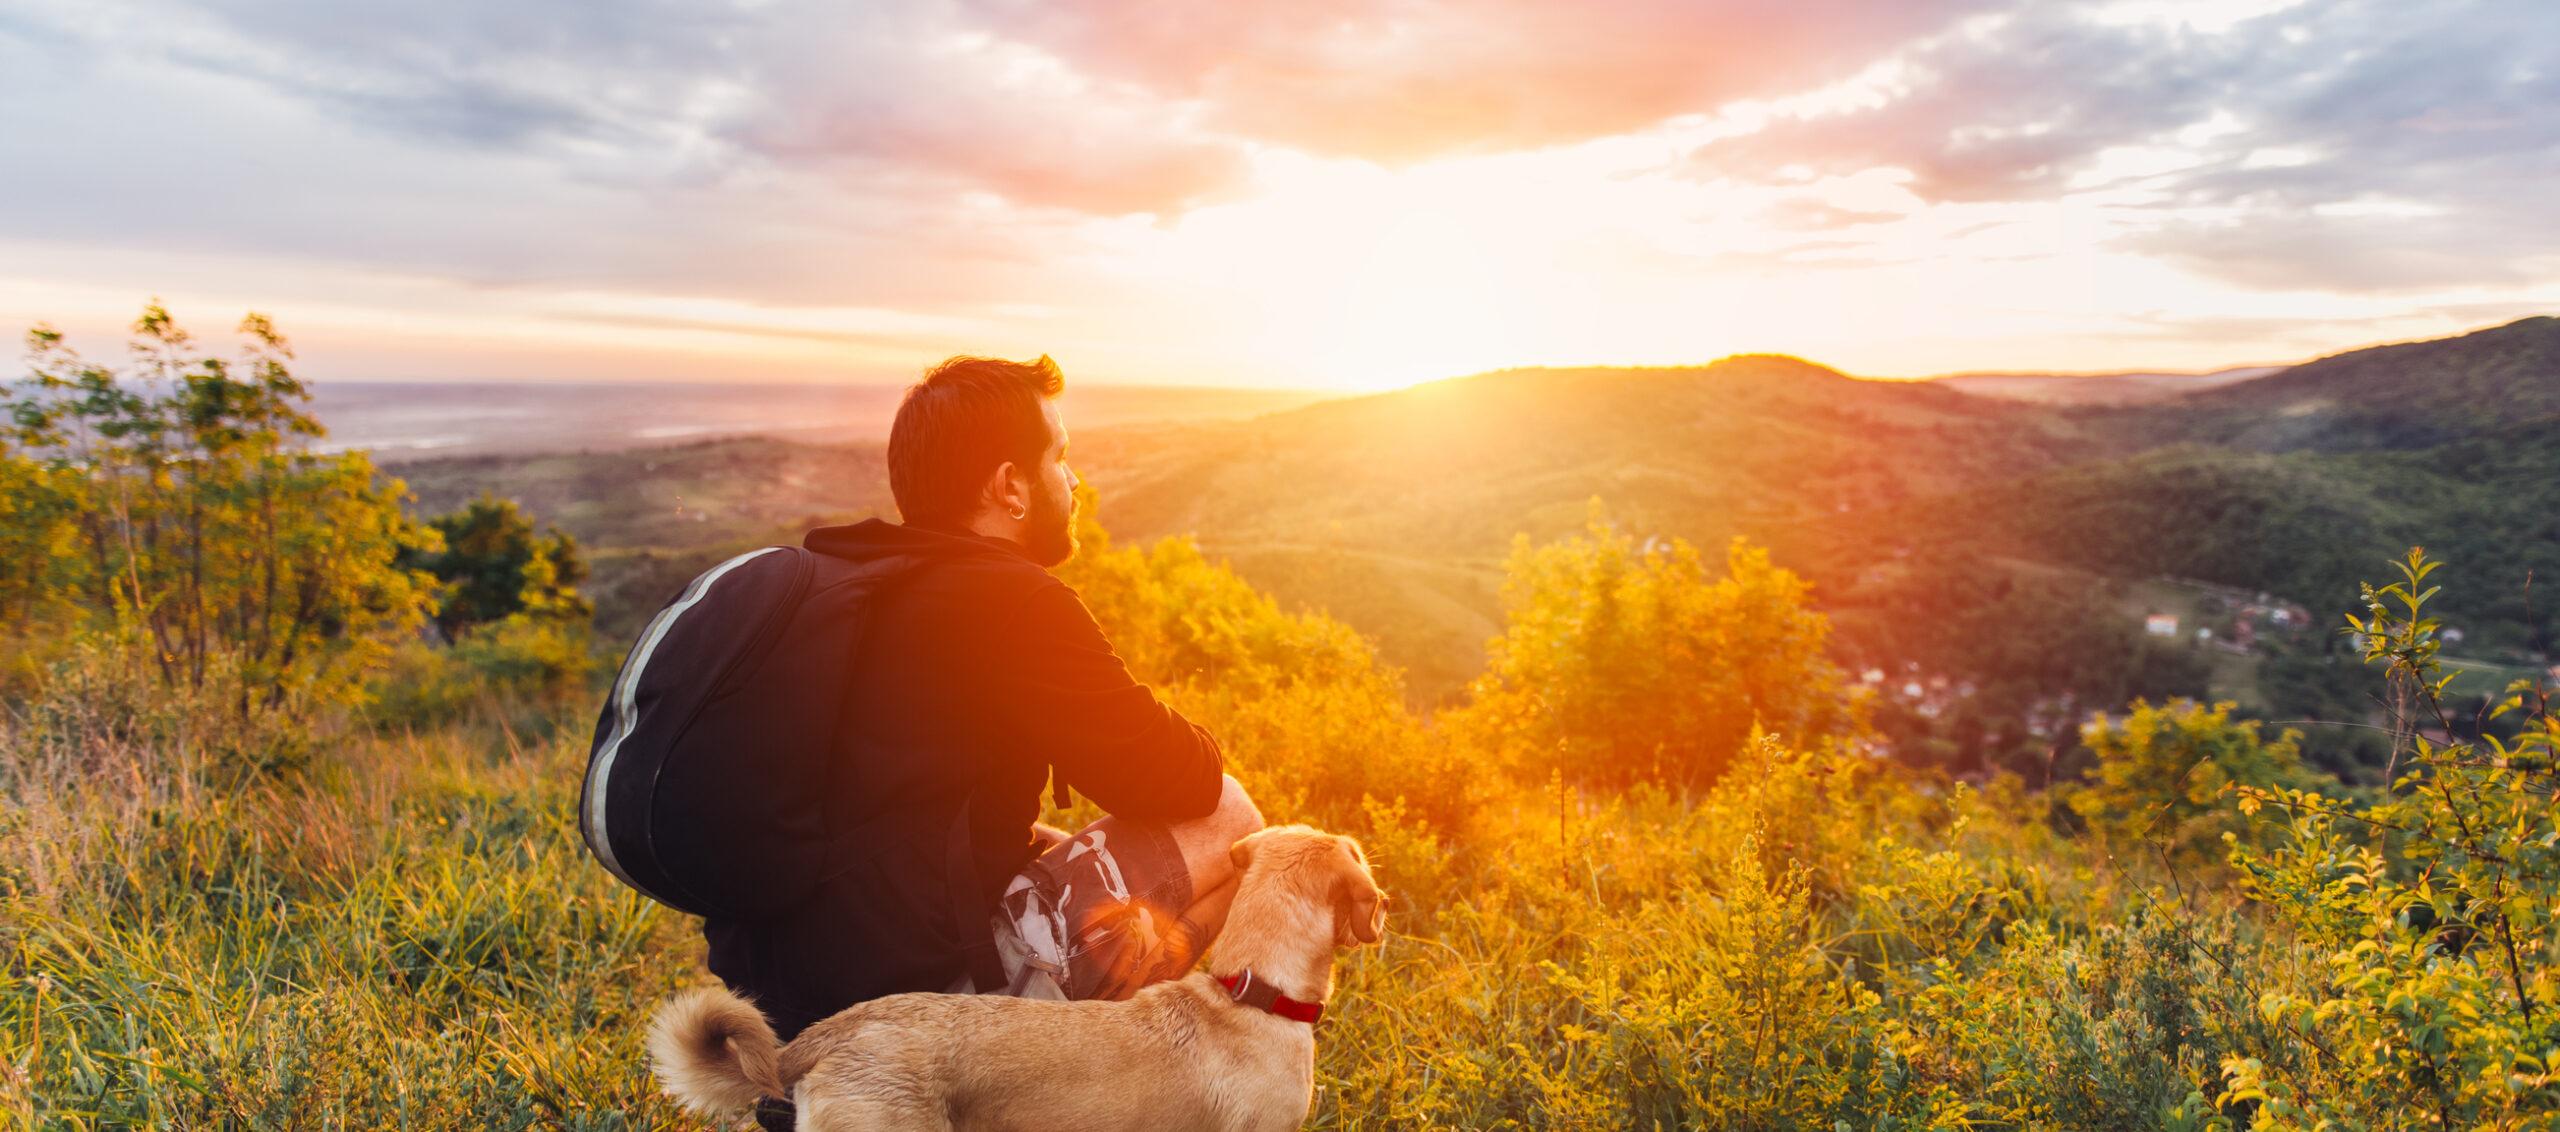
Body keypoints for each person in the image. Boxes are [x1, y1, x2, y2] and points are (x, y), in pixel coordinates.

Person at [697, 355, 1264, 1131]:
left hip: (780, 1015)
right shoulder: (1011, 597)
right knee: (1234, 822)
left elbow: (900, 809)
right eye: (1060, 457)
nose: (1075, 481)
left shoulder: (843, 577)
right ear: (1009, 486)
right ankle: (1090, 1076)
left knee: (1053, 842)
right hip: (915, 1022)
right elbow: (1189, 782)